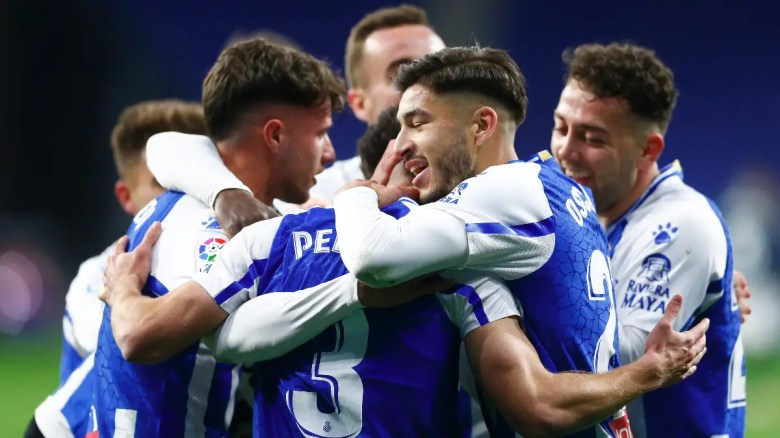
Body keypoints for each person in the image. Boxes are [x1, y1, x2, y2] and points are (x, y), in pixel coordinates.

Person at [104, 47, 707, 437]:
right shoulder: (506, 229)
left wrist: (356, 203)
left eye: (416, 123)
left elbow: (231, 339)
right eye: (400, 129)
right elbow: (533, 395)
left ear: (481, 125)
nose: (408, 142)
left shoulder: (291, 235)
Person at [89, 38, 345, 437]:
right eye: (320, 134)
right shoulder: (210, 232)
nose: (328, 153)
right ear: (274, 136)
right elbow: (140, 336)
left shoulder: (187, 199)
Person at [550, 42, 745, 437]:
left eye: (593, 138)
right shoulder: (586, 215)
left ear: (647, 148)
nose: (566, 151)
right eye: (561, 127)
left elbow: (612, 361)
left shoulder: (680, 225)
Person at [26, 100, 207, 438]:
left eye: (194, 181)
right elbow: (125, 342)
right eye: (163, 185)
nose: (181, 198)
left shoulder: (222, 261)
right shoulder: (97, 274)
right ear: (126, 197)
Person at [309, 4, 445, 202]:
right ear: (360, 104)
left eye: (438, 73)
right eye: (401, 75)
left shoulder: (492, 184)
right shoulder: (319, 198)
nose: (427, 87)